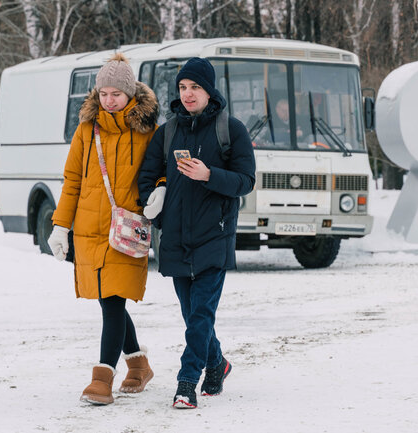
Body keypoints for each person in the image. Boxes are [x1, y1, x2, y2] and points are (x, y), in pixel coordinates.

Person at [138, 57, 256, 409]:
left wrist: (209, 175)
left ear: (209, 90)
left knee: (201, 314)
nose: (188, 94)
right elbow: (147, 177)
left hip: (214, 236)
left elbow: (246, 181)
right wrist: (155, 194)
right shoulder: (167, 131)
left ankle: (186, 382)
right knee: (193, 316)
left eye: (195, 87)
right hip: (174, 237)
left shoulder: (230, 130)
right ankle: (217, 363)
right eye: (183, 88)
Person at [47, 53, 159, 405]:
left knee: (113, 302)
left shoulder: (148, 131)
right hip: (88, 230)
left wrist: (161, 189)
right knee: (107, 301)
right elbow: (71, 181)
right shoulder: (86, 130)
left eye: (116, 93)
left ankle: (102, 378)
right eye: (104, 93)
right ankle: (139, 366)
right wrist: (60, 226)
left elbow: (159, 171)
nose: (109, 100)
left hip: (125, 232)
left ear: (130, 94)